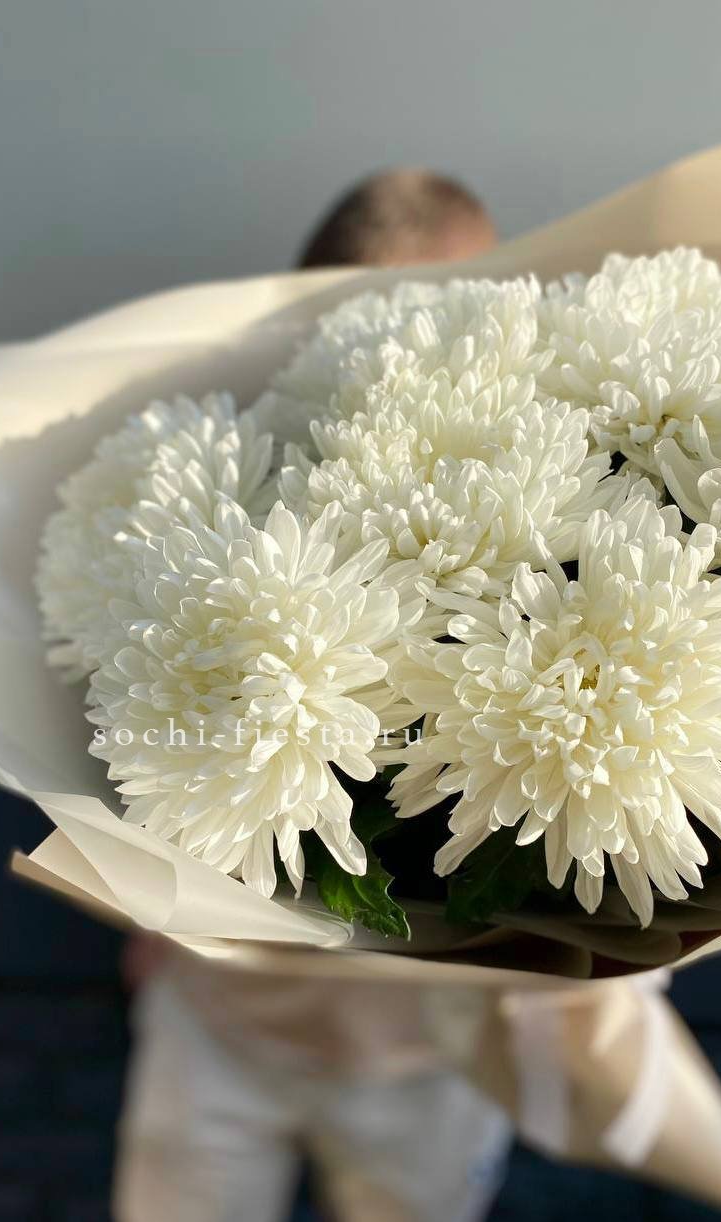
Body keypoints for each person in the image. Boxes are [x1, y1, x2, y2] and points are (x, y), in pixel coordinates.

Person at [113, 170, 511, 1222]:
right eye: (359, 322)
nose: (397, 355)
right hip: (217, 1019)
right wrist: (140, 909)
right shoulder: (212, 487)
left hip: (423, 1057)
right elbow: (112, 703)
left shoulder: (525, 536)